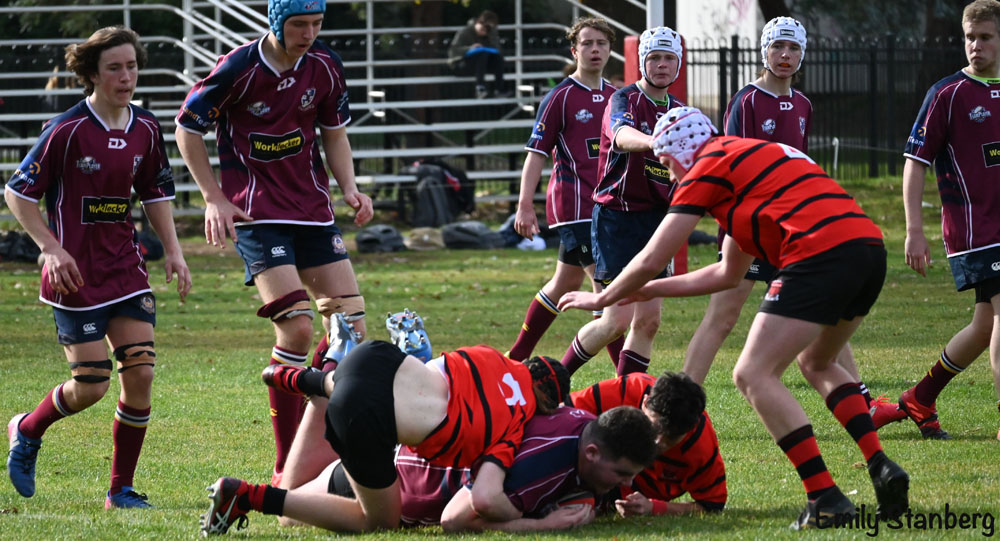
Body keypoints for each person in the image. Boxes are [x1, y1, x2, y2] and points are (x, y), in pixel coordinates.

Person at [558, 106, 910, 529]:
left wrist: (606, 295)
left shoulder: (707, 164)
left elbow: (653, 257)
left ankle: (824, 496)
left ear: (682, 151)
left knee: (752, 373)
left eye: (667, 164)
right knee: (818, 362)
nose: (670, 177)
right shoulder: (742, 165)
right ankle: (881, 465)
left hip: (818, 253)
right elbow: (727, 274)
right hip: (867, 249)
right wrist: (647, 290)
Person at [174, 0, 373, 486]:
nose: (309, 33)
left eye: (316, 24)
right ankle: (286, 465)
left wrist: (349, 187)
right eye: (299, 24)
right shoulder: (239, 67)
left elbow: (335, 134)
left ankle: (315, 440)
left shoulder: (325, 64)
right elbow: (187, 128)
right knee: (298, 330)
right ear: (276, 23)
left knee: (351, 331)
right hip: (257, 215)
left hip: (313, 212)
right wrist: (214, 198)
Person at [5, 26, 191, 509]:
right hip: (75, 277)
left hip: (125, 268)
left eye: (132, 66)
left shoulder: (145, 127)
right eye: (114, 68)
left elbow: (155, 192)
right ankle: (27, 429)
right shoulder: (65, 130)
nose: (126, 76)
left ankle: (120, 490)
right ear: (92, 74)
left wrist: (174, 251)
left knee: (141, 374)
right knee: (91, 385)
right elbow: (17, 193)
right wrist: (50, 248)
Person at [683, 17, 873, 406]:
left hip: (793, 228)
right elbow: (731, 165)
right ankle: (682, 402)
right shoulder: (747, 100)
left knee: (825, 311)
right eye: (778, 47)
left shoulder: (804, 104)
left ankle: (863, 403)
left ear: (803, 54)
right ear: (764, 51)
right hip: (752, 227)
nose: (785, 55)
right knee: (723, 318)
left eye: (793, 48)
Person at [201, 343, 563, 534]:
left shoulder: (492, 356)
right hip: (368, 413)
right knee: (380, 522)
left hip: (375, 356)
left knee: (357, 386)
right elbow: (486, 498)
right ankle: (248, 497)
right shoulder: (518, 421)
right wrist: (534, 519)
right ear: (547, 404)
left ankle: (311, 377)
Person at [201, 402, 655, 535]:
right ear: (591, 453)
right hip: (397, 478)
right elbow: (456, 520)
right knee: (298, 512)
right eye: (621, 474)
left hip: (404, 447)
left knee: (300, 487)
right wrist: (543, 525)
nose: (627, 484)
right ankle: (322, 389)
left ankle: (327, 385)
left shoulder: (580, 421)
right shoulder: (545, 466)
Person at [871, 0, 1000, 441]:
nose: (975, 46)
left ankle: (919, 398)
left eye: (985, 37)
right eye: (970, 37)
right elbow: (915, 162)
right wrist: (913, 231)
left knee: (985, 325)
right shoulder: (947, 93)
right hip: (977, 230)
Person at [559, 26, 685, 377]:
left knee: (649, 321)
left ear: (679, 64)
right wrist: (655, 141)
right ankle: (556, 379)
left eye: (669, 58)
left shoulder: (680, 110)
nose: (662, 65)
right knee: (616, 320)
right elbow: (621, 135)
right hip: (618, 217)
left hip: (658, 222)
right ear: (641, 61)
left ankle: (629, 395)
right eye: (654, 58)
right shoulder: (623, 99)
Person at [508, 17, 623, 366]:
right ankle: (625, 376)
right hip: (575, 208)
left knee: (564, 282)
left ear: (610, 50)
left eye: (601, 43)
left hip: (606, 207)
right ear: (574, 51)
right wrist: (524, 205)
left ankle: (516, 357)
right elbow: (536, 154)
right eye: (587, 43)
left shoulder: (617, 97)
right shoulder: (560, 96)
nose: (594, 50)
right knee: (605, 290)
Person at [571, 371, 727, 516]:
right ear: (644, 403)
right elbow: (564, 413)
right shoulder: (625, 391)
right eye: (654, 428)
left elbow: (712, 505)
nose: (658, 442)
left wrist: (654, 507)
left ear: (690, 429)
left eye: (671, 438)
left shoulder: (700, 445)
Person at [447, 10, 509, 99]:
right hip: (461, 64)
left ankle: (499, 89)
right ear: (478, 22)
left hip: (481, 65)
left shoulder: (490, 33)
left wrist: (490, 37)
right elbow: (452, 51)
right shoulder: (465, 32)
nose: (484, 30)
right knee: (482, 54)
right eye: (483, 27)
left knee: (497, 58)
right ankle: (480, 88)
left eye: (488, 29)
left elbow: (498, 50)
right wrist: (470, 48)